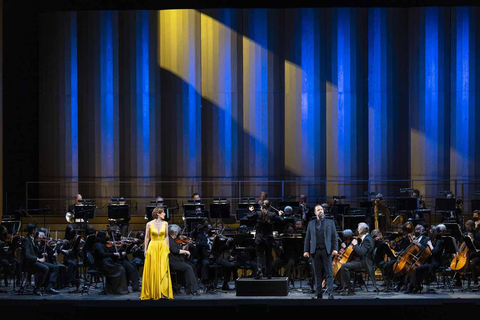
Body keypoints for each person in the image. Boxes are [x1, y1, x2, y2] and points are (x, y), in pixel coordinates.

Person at [304, 204, 338, 299]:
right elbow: (307, 238)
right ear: (315, 212)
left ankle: (330, 294)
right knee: (317, 274)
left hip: (326, 251)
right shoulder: (311, 223)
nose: (320, 211)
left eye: (321, 209)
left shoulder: (330, 222)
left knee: (329, 273)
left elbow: (334, 237)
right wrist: (306, 250)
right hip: (315, 251)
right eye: (318, 210)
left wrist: (335, 249)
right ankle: (318, 293)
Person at [141, 207, 173, 300]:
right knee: (154, 268)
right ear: (158, 214)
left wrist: (168, 249)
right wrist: (145, 250)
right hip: (153, 247)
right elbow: (147, 238)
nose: (165, 214)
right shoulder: (149, 224)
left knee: (163, 268)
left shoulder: (165, 223)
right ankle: (153, 292)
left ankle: (163, 292)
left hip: (162, 247)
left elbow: (166, 237)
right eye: (163, 213)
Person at [248, 200, 284, 279]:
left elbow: (249, 217)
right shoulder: (272, 214)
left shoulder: (258, 213)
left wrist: (252, 211)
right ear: (269, 206)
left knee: (259, 256)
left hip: (260, 239)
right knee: (269, 257)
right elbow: (282, 220)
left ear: (262, 206)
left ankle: (259, 273)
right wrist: (280, 214)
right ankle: (269, 274)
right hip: (269, 239)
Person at [339, 222, 378, 295]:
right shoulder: (367, 237)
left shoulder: (367, 239)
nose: (357, 230)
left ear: (362, 230)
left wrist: (355, 245)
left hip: (365, 263)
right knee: (346, 263)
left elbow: (362, 252)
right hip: (363, 260)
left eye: (358, 228)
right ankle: (346, 287)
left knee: (344, 266)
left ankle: (348, 290)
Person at [23, 224, 60, 296]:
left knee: (55, 267)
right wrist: (38, 259)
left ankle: (49, 287)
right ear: (33, 231)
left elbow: (35, 252)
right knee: (45, 268)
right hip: (30, 263)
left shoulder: (32, 239)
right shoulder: (26, 240)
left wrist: (43, 250)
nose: (36, 231)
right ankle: (37, 288)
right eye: (36, 230)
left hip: (35, 261)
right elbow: (27, 255)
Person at [168, 224, 200, 295]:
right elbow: (175, 251)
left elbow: (179, 249)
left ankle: (194, 288)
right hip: (173, 262)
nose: (179, 233)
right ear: (175, 232)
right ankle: (190, 290)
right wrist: (186, 251)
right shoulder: (170, 240)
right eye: (178, 232)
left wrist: (186, 245)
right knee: (188, 267)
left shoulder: (173, 240)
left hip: (178, 260)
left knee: (192, 266)